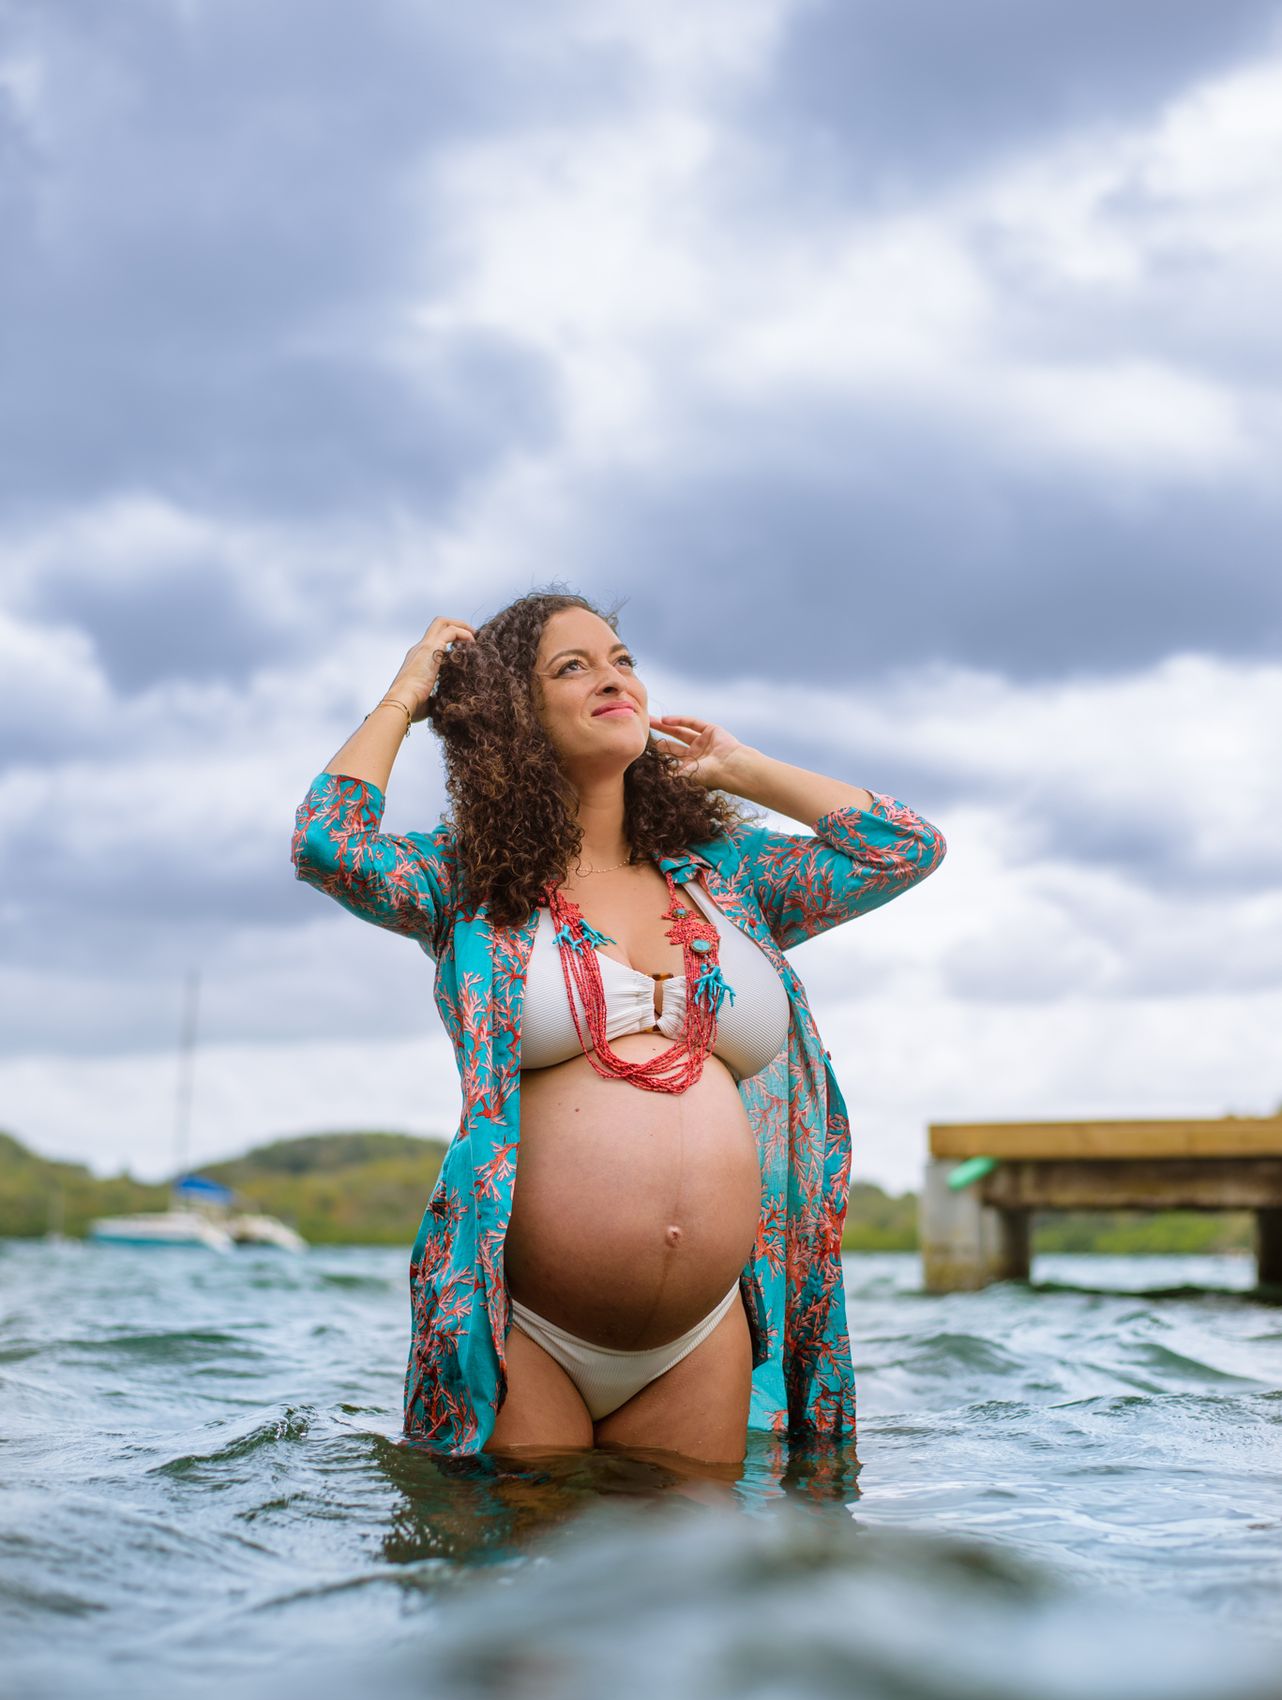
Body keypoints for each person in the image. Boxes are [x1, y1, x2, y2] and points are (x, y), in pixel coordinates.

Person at [292, 590, 946, 1467]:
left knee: (690, 1596)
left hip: (702, 1336)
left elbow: (904, 847)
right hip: (526, 1327)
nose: (613, 679)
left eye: (623, 659)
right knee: (529, 1589)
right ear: (514, 718)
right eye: (573, 666)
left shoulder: (732, 877)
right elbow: (329, 843)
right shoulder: (465, 882)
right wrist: (409, 694)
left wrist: (741, 767)